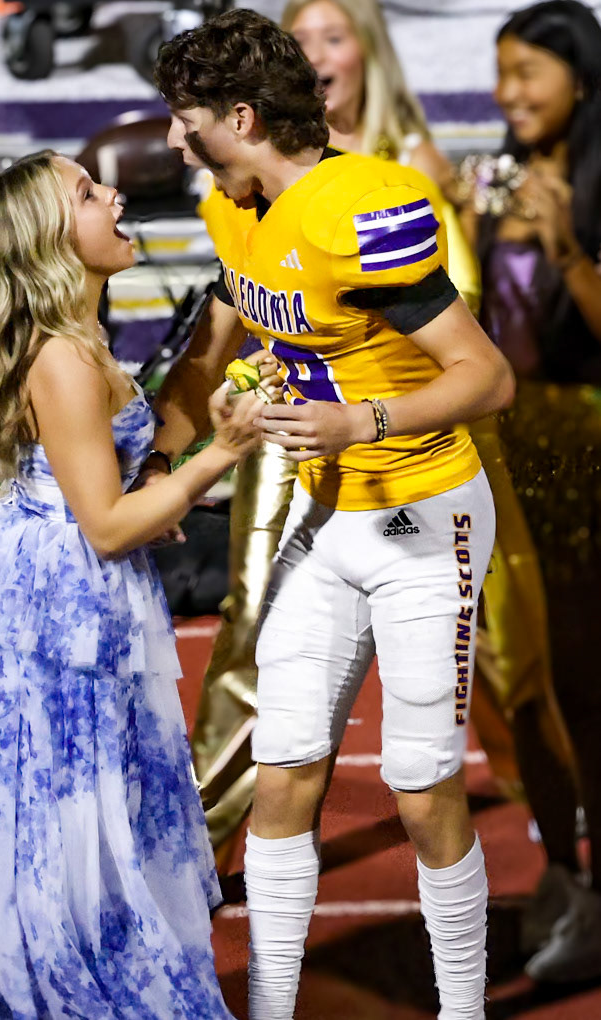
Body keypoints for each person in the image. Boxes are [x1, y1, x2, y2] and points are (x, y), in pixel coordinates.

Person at [0, 150, 263, 1018]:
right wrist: (225, 451)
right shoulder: (63, 358)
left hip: (64, 596)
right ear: (49, 240)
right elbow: (104, 526)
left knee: (81, 820)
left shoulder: (82, 335)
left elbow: (116, 484)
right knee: (55, 828)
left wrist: (168, 466)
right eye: (88, 193)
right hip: (54, 608)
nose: (113, 196)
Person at [154, 10, 515, 1019]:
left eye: (188, 121)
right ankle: (270, 1006)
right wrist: (183, 436)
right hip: (326, 520)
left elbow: (486, 378)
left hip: (419, 515)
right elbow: (232, 338)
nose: (176, 141)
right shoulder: (236, 208)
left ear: (238, 115)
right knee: (283, 772)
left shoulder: (357, 206)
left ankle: (460, 1011)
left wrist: (360, 416)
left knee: (420, 782)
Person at [184, 0, 569, 879]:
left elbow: (460, 352)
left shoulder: (396, 182)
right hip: (298, 451)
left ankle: (565, 858)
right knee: (255, 649)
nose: (319, 56)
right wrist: (246, 381)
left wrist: (361, 413)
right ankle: (201, 852)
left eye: (335, 36)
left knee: (502, 669)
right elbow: (261, 318)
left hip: (420, 451)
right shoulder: (241, 191)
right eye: (301, 39)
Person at [463, 0, 601, 983]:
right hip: (508, 451)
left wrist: (565, 248)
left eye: (527, 74)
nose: (508, 93)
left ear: (581, 81)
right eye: (501, 72)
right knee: (519, 679)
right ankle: (564, 874)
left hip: (590, 446)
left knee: (588, 683)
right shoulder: (496, 182)